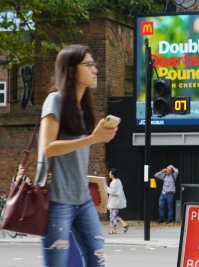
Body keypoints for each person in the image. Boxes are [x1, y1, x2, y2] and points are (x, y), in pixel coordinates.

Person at [34, 44, 117, 267]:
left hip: (82, 200)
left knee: (97, 259)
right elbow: (48, 147)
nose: (95, 70)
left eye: (94, 65)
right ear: (71, 70)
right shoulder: (55, 101)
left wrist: (99, 136)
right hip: (57, 200)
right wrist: (92, 138)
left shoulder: (82, 109)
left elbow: (74, 156)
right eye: (88, 65)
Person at [106, 168, 128, 234]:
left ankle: (114, 230)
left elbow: (112, 192)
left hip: (114, 202)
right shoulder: (118, 181)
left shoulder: (114, 183)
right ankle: (124, 224)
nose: (109, 174)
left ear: (112, 175)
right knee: (114, 215)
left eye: (110, 173)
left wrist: (106, 188)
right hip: (116, 201)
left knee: (112, 216)